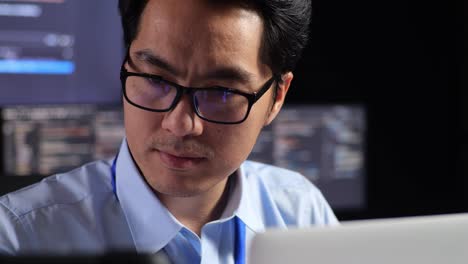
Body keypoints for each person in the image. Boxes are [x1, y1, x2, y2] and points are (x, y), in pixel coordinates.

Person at [0, 0, 338, 262]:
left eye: (222, 92)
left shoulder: (300, 212)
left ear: (276, 97)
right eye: (155, 80)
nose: (179, 124)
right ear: (125, 66)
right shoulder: (17, 237)